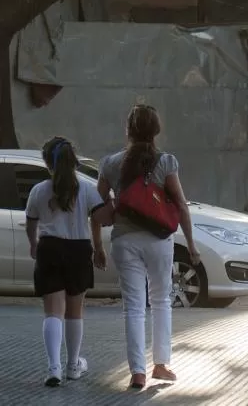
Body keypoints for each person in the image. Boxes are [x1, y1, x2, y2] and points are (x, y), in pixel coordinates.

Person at [96, 102, 199, 391]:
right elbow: (180, 204)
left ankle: (137, 372)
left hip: (124, 240)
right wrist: (191, 244)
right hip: (159, 241)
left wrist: (110, 214)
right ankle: (162, 365)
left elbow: (99, 204)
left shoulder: (110, 163)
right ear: (156, 130)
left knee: (133, 307)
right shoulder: (166, 162)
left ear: (128, 130)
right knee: (161, 300)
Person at [26, 136, 108, 388]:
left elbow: (31, 223)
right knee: (75, 311)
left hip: (49, 249)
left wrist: (33, 244)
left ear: (48, 164)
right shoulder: (86, 189)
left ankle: (54, 368)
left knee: (53, 311)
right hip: (78, 250)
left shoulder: (39, 190)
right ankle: (73, 365)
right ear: (74, 162)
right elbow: (103, 217)